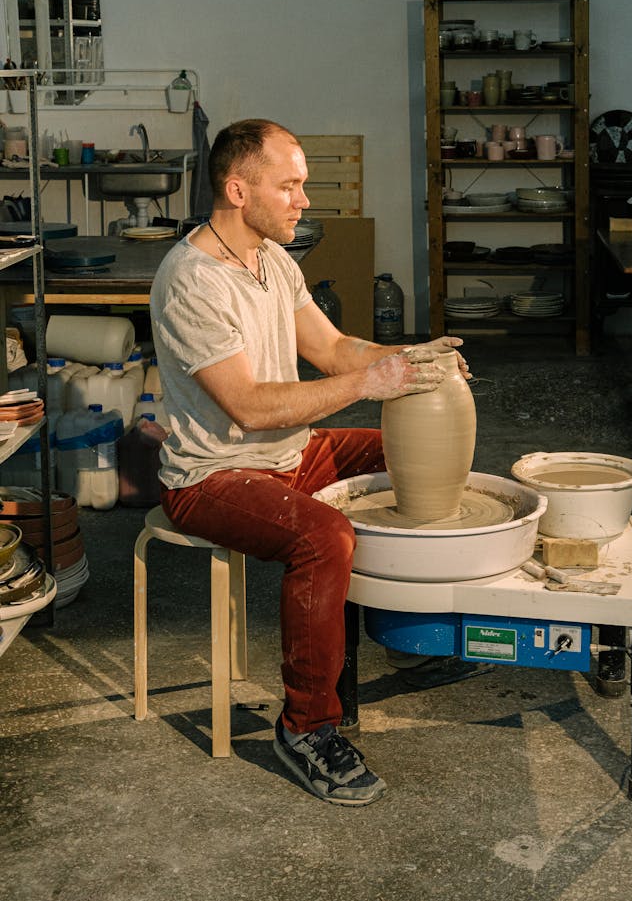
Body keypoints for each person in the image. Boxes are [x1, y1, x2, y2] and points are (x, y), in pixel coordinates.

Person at [150, 118, 467, 807]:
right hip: (213, 474)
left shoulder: (273, 260)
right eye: (289, 185)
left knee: (412, 455)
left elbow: (332, 350)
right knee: (324, 537)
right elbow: (250, 408)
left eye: (304, 186)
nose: (303, 200)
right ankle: (306, 726)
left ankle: (410, 636)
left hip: (287, 455)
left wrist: (411, 363)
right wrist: (366, 385)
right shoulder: (191, 281)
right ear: (239, 188)